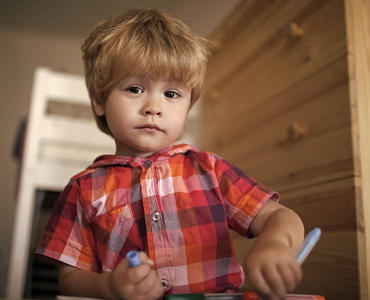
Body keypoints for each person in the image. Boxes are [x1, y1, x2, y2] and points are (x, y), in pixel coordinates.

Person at [36, 8, 304, 300]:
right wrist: (110, 287)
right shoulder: (82, 188)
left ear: (188, 105)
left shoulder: (210, 170)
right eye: (135, 88)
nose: (154, 106)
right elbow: (70, 277)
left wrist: (275, 244)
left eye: (171, 94)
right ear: (100, 100)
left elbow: (281, 217)